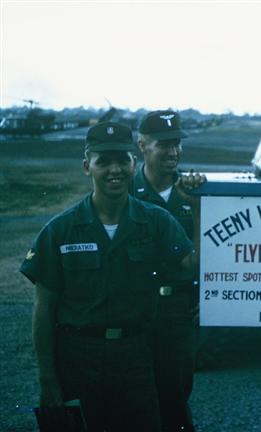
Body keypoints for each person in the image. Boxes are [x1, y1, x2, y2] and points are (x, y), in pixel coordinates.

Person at [21, 121, 204, 431]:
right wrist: (48, 379)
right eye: (103, 161)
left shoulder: (156, 221)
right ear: (86, 166)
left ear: (134, 163)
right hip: (77, 360)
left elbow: (191, 266)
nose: (114, 169)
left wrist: (199, 210)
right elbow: (44, 310)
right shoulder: (60, 230)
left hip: (135, 357)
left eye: (122, 160)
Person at [134, 110, 200, 432]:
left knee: (174, 395)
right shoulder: (124, 192)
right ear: (142, 145)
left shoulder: (192, 192)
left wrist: (200, 204)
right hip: (132, 309)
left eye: (177, 144)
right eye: (164, 144)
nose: (173, 152)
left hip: (176, 309)